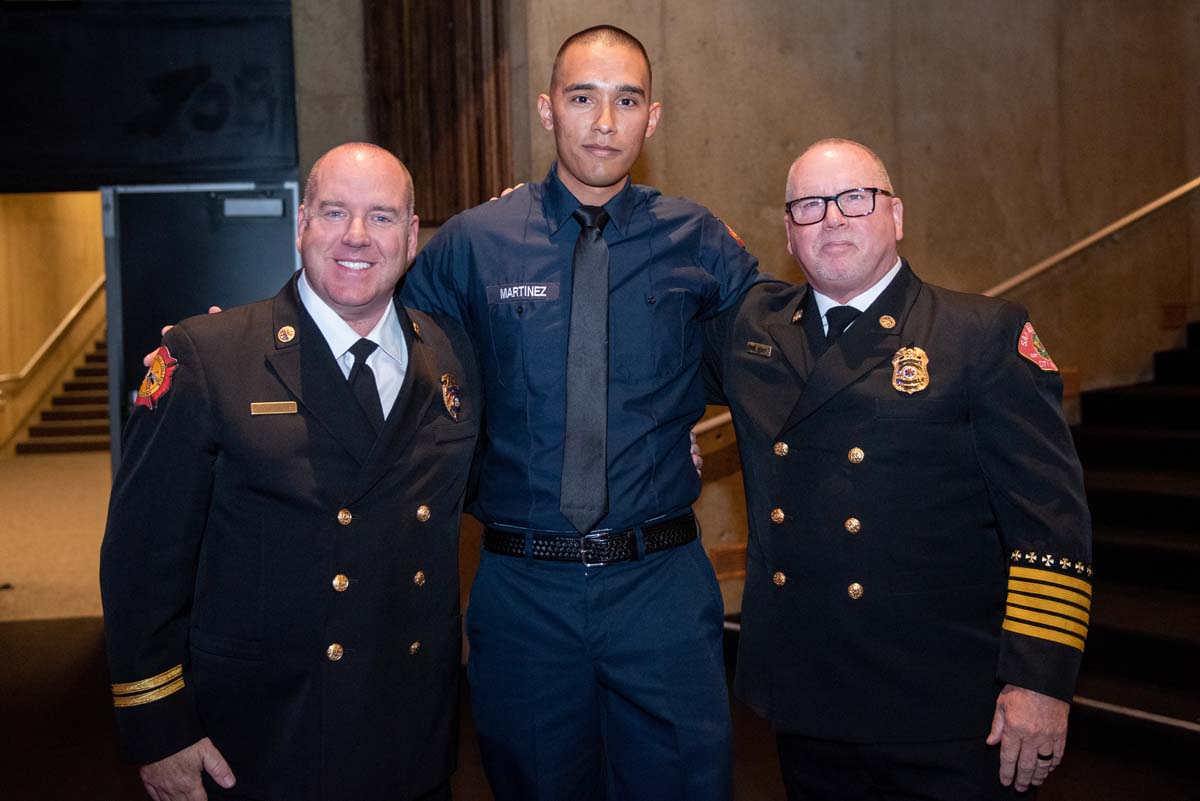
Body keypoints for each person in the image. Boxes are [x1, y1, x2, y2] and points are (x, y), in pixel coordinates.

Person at [400, 24, 759, 801]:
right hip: (525, 589)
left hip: (659, 584)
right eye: (583, 98)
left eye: (626, 100)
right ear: (546, 110)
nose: (605, 122)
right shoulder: (472, 244)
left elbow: (781, 362)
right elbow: (393, 369)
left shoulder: (700, 240)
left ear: (652, 118)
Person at [702, 139, 1093, 800]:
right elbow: (647, 359)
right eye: (809, 206)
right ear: (789, 235)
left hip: (946, 708)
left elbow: (1051, 521)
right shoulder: (753, 330)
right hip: (808, 703)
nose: (832, 217)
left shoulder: (980, 334)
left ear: (897, 215)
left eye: (855, 197)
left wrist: (1040, 679)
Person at [100, 143, 481, 801]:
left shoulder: (446, 354)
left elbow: (481, 485)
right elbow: (142, 558)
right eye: (335, 212)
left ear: (413, 236)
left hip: (411, 736)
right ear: (302, 224)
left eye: (382, 217)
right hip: (267, 739)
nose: (356, 235)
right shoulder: (209, 355)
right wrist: (158, 727)